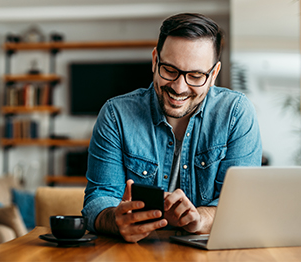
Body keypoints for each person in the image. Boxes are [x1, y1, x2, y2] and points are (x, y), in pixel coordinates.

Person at [82, 13, 262, 242]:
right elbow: (98, 200)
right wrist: (115, 220)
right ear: (155, 60)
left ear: (214, 73)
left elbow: (242, 205)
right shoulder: (116, 115)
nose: (179, 87)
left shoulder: (236, 113)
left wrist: (200, 219)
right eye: (169, 70)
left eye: (196, 75)